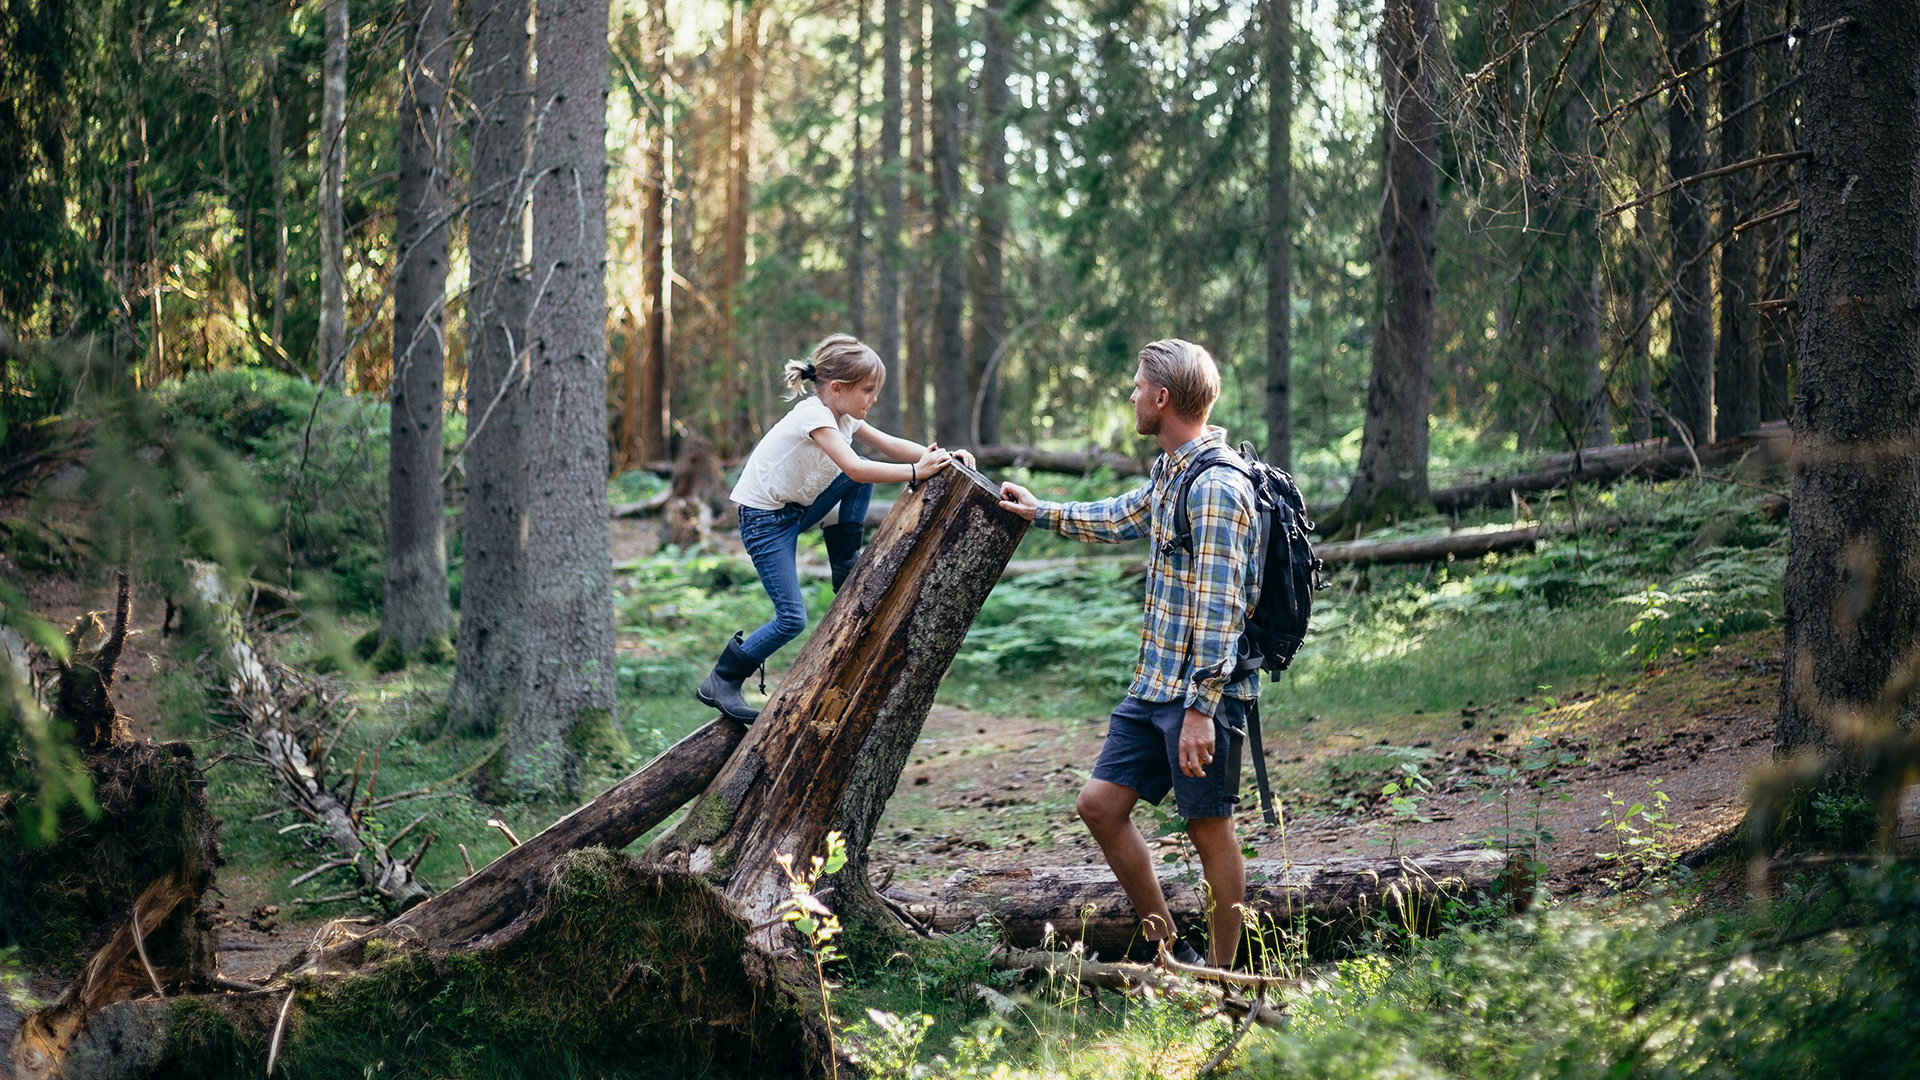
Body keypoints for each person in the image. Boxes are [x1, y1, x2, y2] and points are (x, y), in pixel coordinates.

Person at [998, 339, 1259, 969]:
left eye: (1138, 387)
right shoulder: (1172, 470)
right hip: (1153, 685)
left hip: (1202, 693)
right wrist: (1041, 513)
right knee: (1100, 806)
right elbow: (1121, 516)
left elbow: (1222, 608)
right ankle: (1168, 948)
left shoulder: (1218, 486)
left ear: (1163, 398)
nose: (1132, 396)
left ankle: (1225, 981)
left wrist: (1202, 708)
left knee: (1208, 829)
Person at [698, 333, 969, 722]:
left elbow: (890, 445)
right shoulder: (814, 416)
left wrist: (944, 457)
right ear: (837, 389)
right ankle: (721, 680)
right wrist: (915, 472)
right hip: (764, 524)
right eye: (868, 391)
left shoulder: (843, 415)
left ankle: (845, 566)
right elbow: (856, 466)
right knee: (791, 618)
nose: (872, 399)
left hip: (795, 512)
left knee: (860, 477)